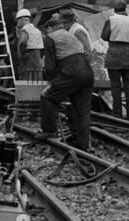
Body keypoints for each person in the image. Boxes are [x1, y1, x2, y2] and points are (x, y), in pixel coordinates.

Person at [40, 15, 94, 150]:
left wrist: (51, 83)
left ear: (50, 28)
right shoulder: (70, 35)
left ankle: (50, 132)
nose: (46, 34)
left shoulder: (50, 37)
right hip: (87, 72)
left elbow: (50, 65)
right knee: (81, 110)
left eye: (46, 31)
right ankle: (82, 145)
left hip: (72, 71)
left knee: (47, 97)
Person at [102, 0, 129, 120]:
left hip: (113, 55)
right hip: (128, 55)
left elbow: (104, 36)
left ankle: (117, 117)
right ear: (125, 8)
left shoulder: (111, 20)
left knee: (115, 87)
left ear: (114, 9)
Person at [15, 8, 45, 76]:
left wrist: (22, 57)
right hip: (37, 59)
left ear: (22, 20)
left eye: (18, 21)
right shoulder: (37, 31)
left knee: (27, 81)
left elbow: (23, 44)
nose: (17, 23)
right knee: (37, 80)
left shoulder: (24, 30)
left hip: (28, 61)